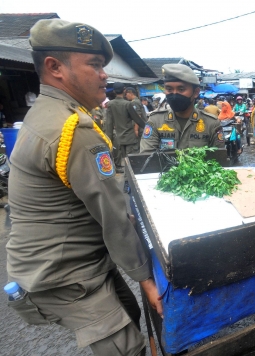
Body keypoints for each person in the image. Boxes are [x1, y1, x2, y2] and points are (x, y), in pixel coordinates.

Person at [5, 19, 162, 356]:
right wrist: (148, 280)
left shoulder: (49, 111)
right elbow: (113, 214)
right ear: (54, 67)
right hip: (63, 272)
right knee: (125, 346)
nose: (104, 74)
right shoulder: (73, 128)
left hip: (76, 258)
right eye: (93, 64)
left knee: (129, 312)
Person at [140, 64, 224, 153]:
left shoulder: (211, 124)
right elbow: (146, 158)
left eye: (181, 89)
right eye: (169, 89)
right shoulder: (156, 121)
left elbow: (218, 160)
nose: (174, 94)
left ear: (195, 92)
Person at [105, 82, 147, 172]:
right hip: (130, 138)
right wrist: (148, 128)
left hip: (120, 138)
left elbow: (108, 123)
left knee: (125, 161)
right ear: (124, 90)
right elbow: (137, 119)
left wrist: (109, 140)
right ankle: (132, 180)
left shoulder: (110, 104)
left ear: (114, 91)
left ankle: (127, 179)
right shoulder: (127, 104)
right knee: (133, 163)